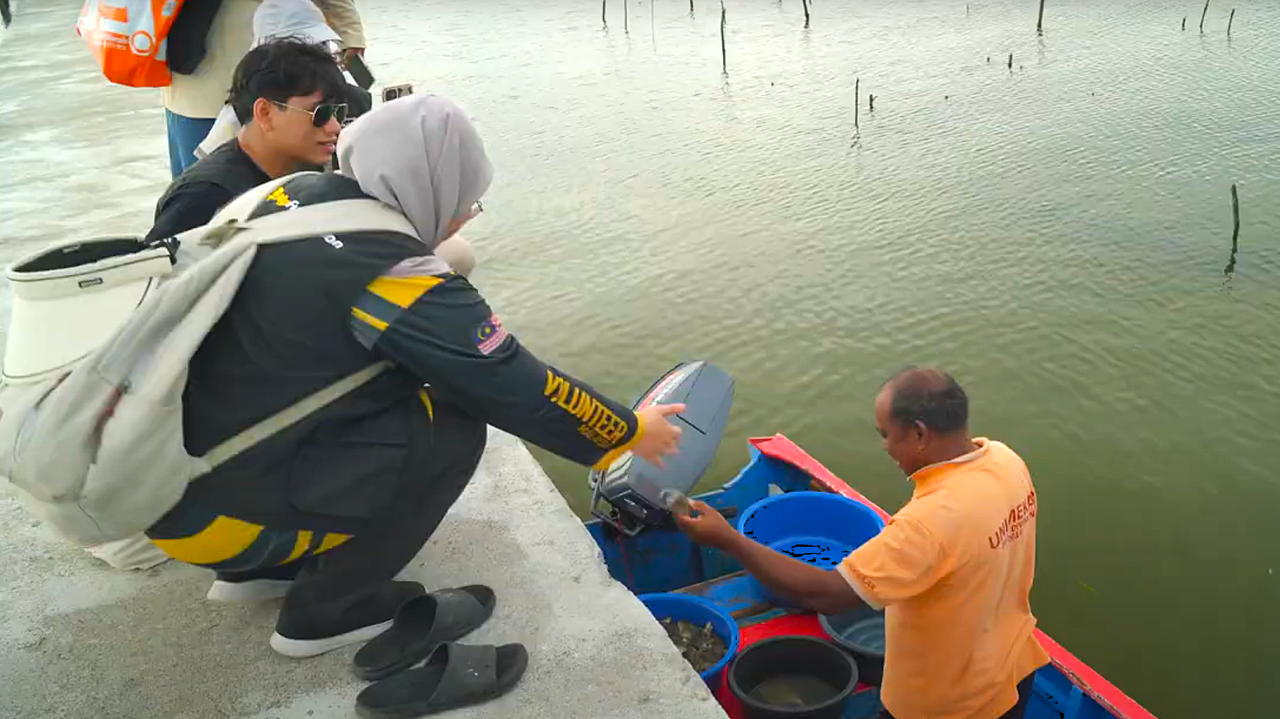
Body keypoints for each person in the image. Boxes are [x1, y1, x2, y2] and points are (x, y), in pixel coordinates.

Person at [144, 93, 687, 659]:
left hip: (167, 489)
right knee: (452, 427)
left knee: (390, 391)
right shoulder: (393, 269)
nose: (462, 215)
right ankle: (326, 612)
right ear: (431, 186)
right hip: (223, 515)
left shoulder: (291, 196)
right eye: (468, 200)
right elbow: (514, 386)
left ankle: (268, 569)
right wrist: (628, 432)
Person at [675, 368, 1050, 719]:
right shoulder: (1004, 459)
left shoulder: (929, 522)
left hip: (946, 705)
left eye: (886, 434)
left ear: (919, 433)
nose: (886, 448)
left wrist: (727, 539)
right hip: (1012, 672)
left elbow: (828, 594)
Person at [144, 37, 350, 246]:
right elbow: (156, 271)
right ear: (265, 113)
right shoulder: (203, 197)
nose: (335, 127)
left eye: (337, 112)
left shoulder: (309, 166)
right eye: (321, 113)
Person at [163, 0, 365, 178]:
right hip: (200, 77)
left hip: (286, 57)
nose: (334, 126)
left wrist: (350, 32)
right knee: (208, 176)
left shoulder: (343, 93)